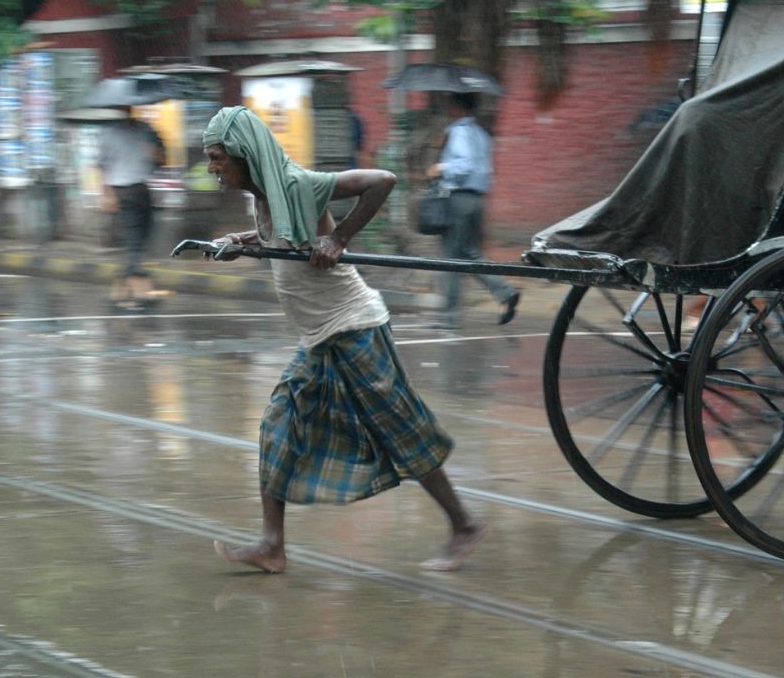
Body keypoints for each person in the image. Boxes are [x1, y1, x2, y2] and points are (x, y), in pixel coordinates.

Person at [201, 105, 485, 573]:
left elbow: (383, 180)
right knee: (278, 425)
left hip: (355, 327)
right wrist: (248, 241)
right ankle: (272, 546)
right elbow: (289, 233)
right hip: (319, 336)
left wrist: (341, 239)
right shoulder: (267, 194)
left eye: (217, 158)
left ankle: (464, 525)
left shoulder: (297, 183)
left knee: (401, 427)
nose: (212, 168)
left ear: (244, 154)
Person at [425, 92, 520, 330]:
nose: (447, 109)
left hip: (458, 199)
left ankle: (449, 318)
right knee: (469, 253)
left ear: (457, 107)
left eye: (450, 105)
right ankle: (505, 292)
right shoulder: (481, 133)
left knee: (450, 260)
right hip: (476, 200)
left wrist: (441, 167)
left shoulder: (459, 131)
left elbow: (464, 164)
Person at [97, 109, 165, 309]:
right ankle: (140, 289)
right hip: (122, 191)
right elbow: (102, 166)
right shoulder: (109, 133)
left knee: (142, 239)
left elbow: (162, 159)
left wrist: (153, 152)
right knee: (134, 241)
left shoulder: (146, 130)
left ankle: (120, 290)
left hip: (141, 188)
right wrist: (107, 194)